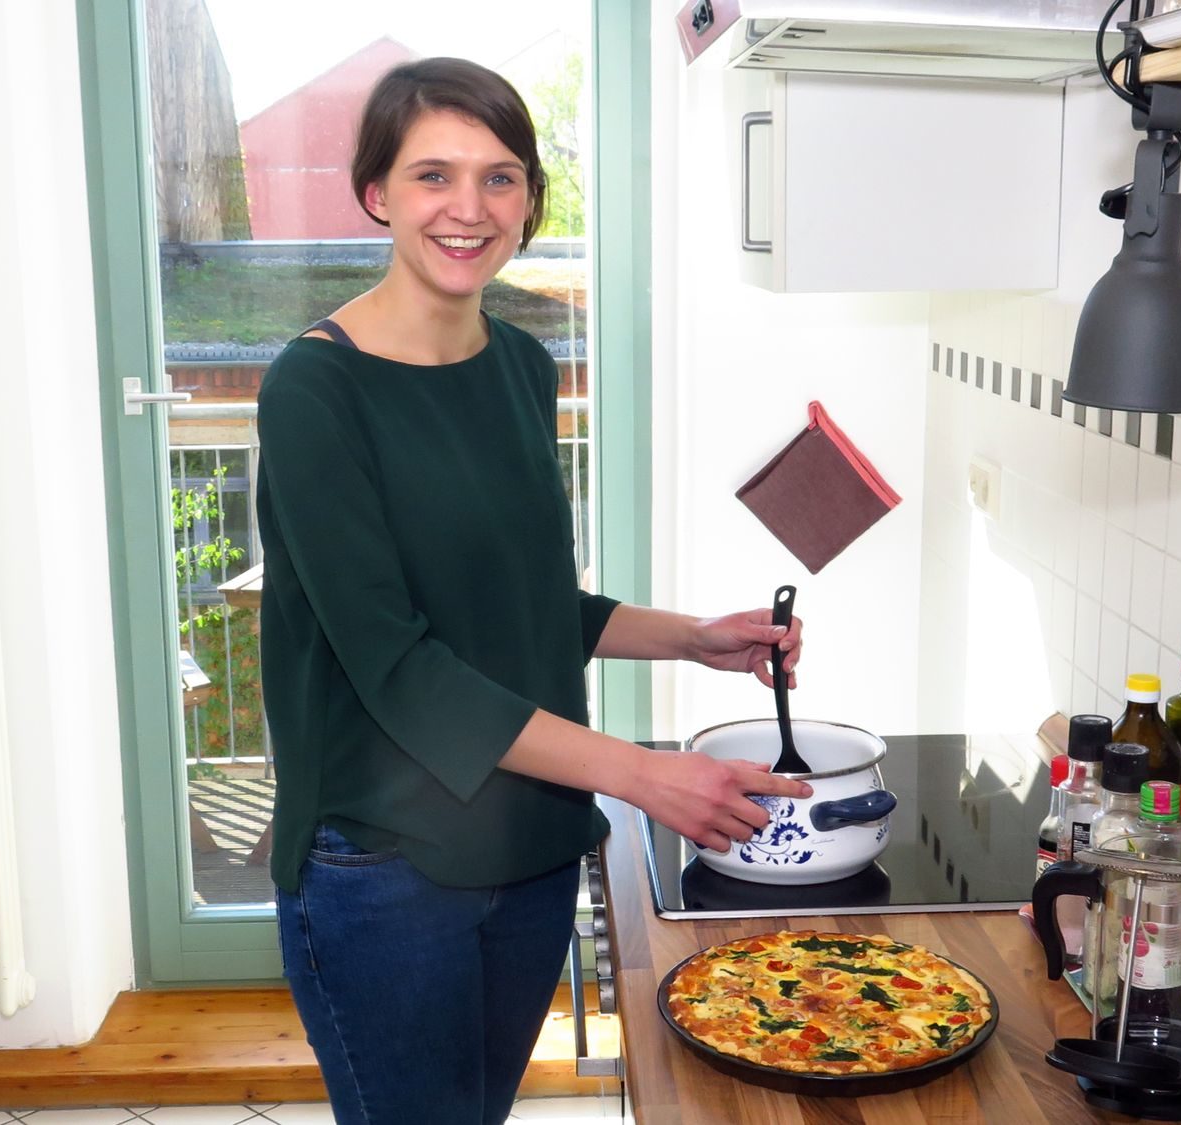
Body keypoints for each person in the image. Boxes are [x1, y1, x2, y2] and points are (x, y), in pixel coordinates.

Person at [253, 57, 810, 1125]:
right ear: (375, 193)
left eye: (499, 178)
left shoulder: (520, 365)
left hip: (526, 840)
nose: (468, 209)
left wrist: (694, 638)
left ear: (530, 202)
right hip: (382, 862)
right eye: (432, 177)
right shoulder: (314, 390)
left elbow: (521, 601)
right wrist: (644, 774)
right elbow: (401, 667)